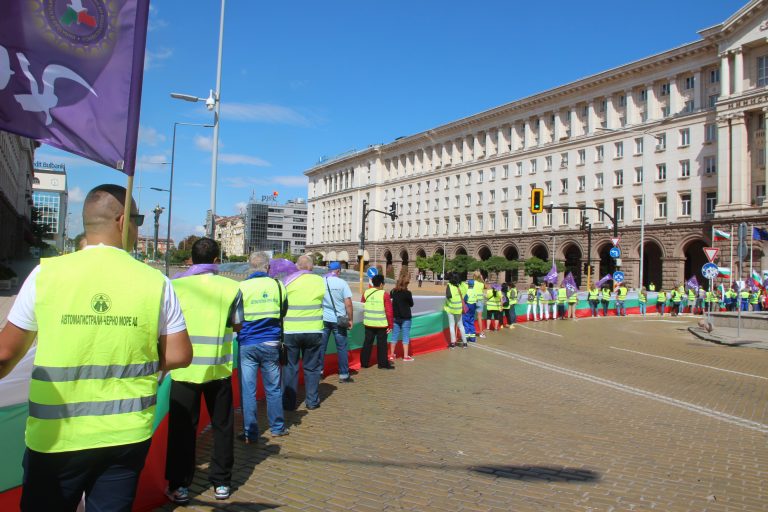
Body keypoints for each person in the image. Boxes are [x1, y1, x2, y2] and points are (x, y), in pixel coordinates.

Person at [0, 184, 192, 512]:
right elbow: (179, 355)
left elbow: (5, 355)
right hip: (126, 435)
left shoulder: (45, 275)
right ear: (123, 221)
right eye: (138, 220)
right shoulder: (156, 282)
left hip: (56, 436)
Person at [165, 238, 243, 504]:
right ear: (217, 261)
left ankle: (179, 485)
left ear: (191, 260)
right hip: (218, 369)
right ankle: (222, 482)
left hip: (183, 370)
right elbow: (238, 325)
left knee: (182, 429)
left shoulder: (175, 286)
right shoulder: (232, 288)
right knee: (222, 427)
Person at [237, 252, 289, 445]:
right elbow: (283, 311)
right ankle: (277, 428)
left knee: (248, 390)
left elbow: (236, 316)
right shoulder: (278, 285)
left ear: (250, 267)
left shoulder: (241, 287)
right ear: (268, 267)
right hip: (271, 342)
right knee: (273, 388)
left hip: (247, 343)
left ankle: (250, 433)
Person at [282, 255, 326, 410]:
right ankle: (312, 401)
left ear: (297, 266)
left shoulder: (287, 281)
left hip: (291, 331)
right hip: (313, 330)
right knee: (312, 367)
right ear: (311, 267)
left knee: (290, 367)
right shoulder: (320, 281)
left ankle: (289, 403)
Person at [321, 261, 354, 383]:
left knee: (321, 347)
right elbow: (348, 304)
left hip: (324, 319)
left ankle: (319, 373)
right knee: (341, 348)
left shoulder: (321, 282)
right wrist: (350, 319)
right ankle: (344, 375)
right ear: (338, 271)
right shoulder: (342, 283)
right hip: (339, 320)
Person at [361, 274, 394, 368]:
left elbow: (361, 306)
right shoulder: (384, 294)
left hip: (368, 323)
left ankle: (364, 363)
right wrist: (390, 325)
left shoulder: (366, 293)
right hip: (381, 324)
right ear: (381, 284)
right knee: (382, 344)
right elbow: (389, 311)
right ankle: (382, 364)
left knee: (367, 343)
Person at [389, 272, 414, 362]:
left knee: (394, 336)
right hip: (406, 317)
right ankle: (406, 356)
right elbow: (411, 304)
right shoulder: (408, 293)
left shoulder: (393, 292)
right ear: (406, 283)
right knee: (405, 336)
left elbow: (391, 302)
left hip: (395, 317)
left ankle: (392, 355)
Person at [444, 272, 468, 348]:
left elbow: (448, 296)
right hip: (459, 309)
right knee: (461, 325)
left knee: (452, 325)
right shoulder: (462, 286)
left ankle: (453, 343)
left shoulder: (449, 285)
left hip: (450, 308)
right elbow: (466, 290)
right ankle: (465, 343)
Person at [460, 274, 479, 342]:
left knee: (465, 321)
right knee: (471, 321)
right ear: (473, 285)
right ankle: (472, 338)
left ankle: (466, 337)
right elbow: (477, 299)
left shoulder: (467, 291)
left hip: (468, 306)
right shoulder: (475, 291)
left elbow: (465, 299)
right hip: (473, 306)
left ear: (468, 285)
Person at [473, 271, 487, 338]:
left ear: (474, 276)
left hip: (473, 300)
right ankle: (481, 333)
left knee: (471, 316)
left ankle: (471, 331)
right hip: (480, 301)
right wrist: (482, 279)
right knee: (479, 317)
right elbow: (486, 287)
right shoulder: (481, 284)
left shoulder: (472, 282)